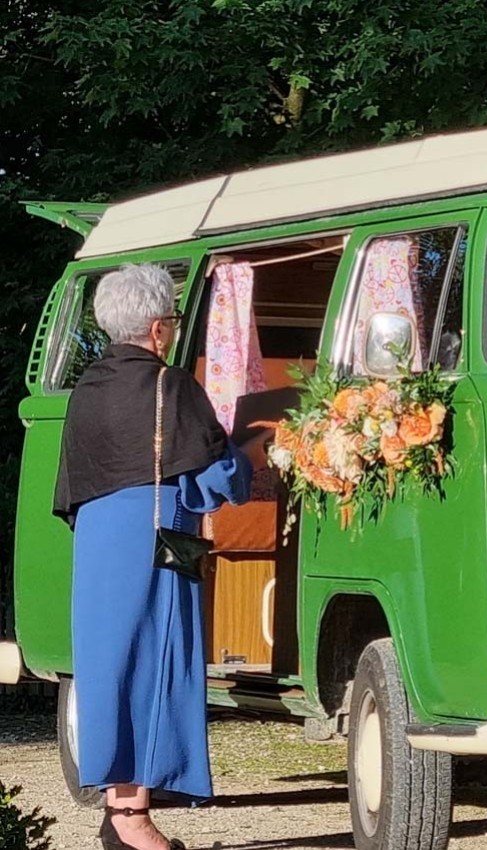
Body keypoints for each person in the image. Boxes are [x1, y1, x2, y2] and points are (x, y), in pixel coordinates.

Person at [53, 264, 261, 850]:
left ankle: (118, 807)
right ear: (157, 328)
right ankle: (131, 816)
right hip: (156, 537)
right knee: (158, 661)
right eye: (169, 318)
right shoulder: (171, 386)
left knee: (109, 665)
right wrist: (254, 450)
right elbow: (211, 476)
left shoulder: (87, 390)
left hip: (97, 539)